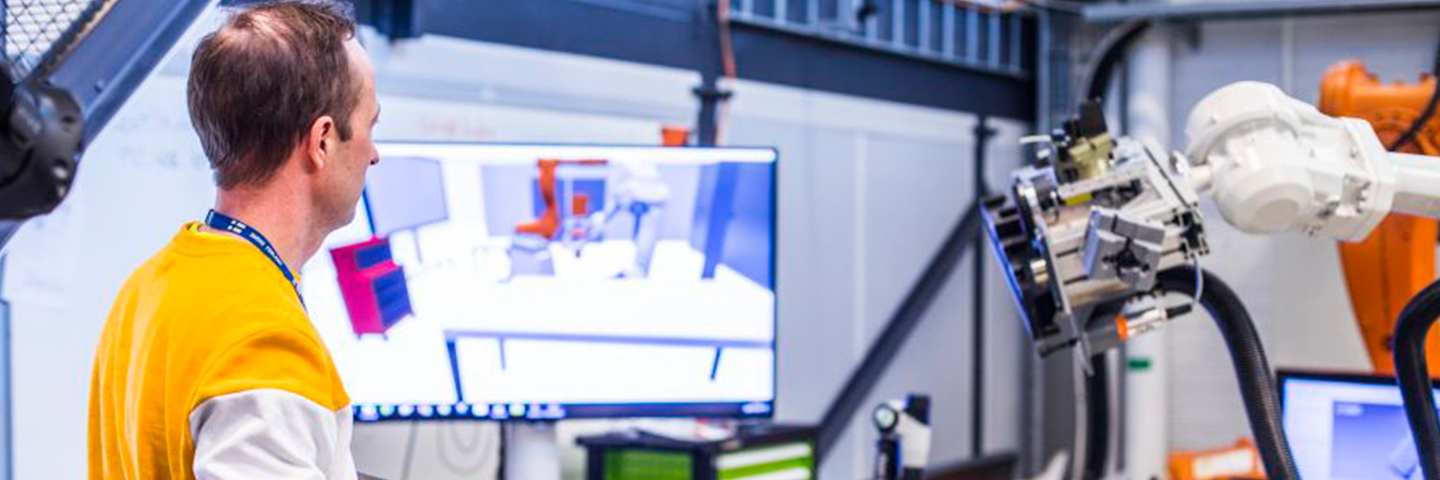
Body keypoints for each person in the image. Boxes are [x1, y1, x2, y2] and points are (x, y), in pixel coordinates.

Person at [88, 1, 380, 479]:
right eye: (371, 125)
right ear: (323, 140)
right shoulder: (263, 341)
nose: (374, 154)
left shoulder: (148, 287)